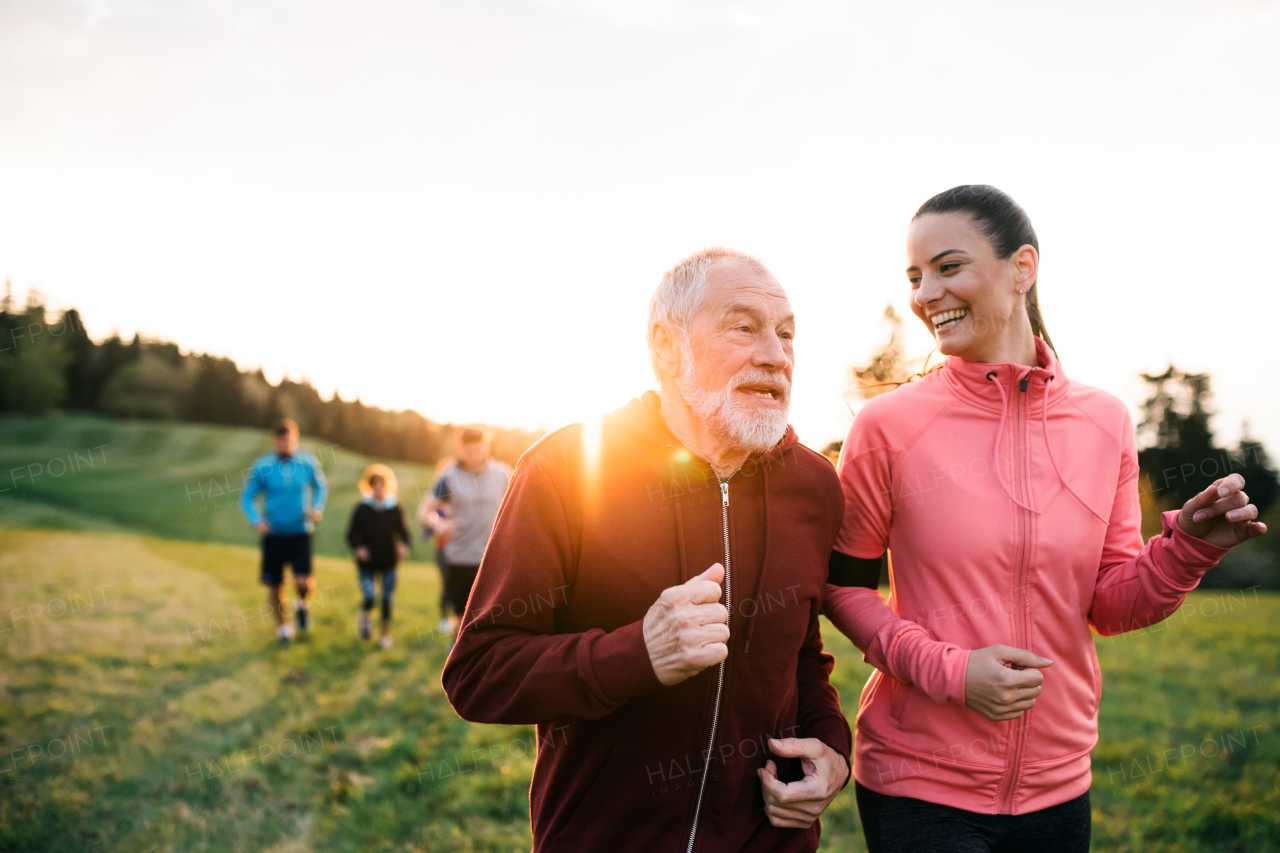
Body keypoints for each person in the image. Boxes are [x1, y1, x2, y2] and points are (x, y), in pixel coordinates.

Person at [822, 185, 1267, 853]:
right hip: (921, 786)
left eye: (948, 266)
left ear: (1022, 268)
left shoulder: (1105, 420)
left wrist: (1187, 549)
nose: (924, 294)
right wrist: (954, 671)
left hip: (1060, 787)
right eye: (915, 277)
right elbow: (843, 587)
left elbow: (1111, 603)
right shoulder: (889, 425)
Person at [443, 248, 853, 852]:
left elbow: (800, 653)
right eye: (743, 326)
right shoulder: (566, 469)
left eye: (787, 334)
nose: (776, 354)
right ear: (667, 345)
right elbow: (479, 672)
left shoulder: (815, 487)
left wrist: (831, 748)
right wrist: (637, 653)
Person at [239, 419, 329, 643]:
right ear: (274, 441)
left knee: (302, 582)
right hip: (273, 534)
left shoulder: (307, 462)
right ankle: (283, 628)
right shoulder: (263, 466)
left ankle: (302, 603)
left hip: (300, 532)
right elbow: (247, 497)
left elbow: (320, 486)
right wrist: (256, 520)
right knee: (274, 585)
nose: (285, 445)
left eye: (289, 441)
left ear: (295, 439)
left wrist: (317, 507)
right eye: (281, 441)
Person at [421, 429, 510, 638]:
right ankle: (456, 656)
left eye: (479, 449)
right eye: (469, 450)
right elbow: (425, 511)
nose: (474, 454)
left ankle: (485, 663)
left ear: (487, 447)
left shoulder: (502, 473)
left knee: (491, 618)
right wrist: (438, 524)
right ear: (460, 449)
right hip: (460, 556)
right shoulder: (449, 476)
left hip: (493, 557)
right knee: (462, 619)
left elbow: (517, 505)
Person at [346, 464, 410, 649]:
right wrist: (359, 548)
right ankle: (365, 618)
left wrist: (403, 546)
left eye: (381, 484)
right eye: (375, 484)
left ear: (387, 485)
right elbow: (351, 535)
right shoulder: (362, 508)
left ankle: (384, 635)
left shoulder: (395, 508)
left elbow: (404, 534)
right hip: (366, 563)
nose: (378, 488)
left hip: (389, 561)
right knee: (370, 596)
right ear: (369, 485)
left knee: (387, 599)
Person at [418, 456, 457, 636]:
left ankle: (458, 621)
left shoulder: (460, 498)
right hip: (443, 548)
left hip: (463, 549)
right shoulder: (437, 502)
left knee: (459, 585)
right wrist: (438, 523)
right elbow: (427, 527)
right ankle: (444, 618)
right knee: (447, 584)